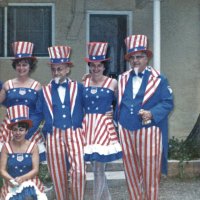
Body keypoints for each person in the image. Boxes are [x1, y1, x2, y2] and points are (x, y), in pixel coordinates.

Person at [116, 34, 174, 200]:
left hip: (149, 130)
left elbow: (167, 102)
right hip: (126, 129)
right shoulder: (122, 78)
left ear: (147, 58)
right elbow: (117, 100)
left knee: (150, 172)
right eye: (132, 57)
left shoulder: (159, 78)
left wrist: (152, 113)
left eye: (139, 57)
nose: (135, 60)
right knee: (130, 171)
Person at [35, 45, 85, 200]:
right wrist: (26, 129)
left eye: (60, 69)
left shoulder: (79, 87)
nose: (57, 73)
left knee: (79, 171)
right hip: (53, 134)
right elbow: (37, 114)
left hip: (74, 132)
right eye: (54, 69)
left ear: (67, 69)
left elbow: (89, 108)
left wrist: (106, 113)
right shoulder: (44, 91)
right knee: (58, 173)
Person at [82, 42, 122, 200]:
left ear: (104, 66)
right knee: (95, 168)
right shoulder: (83, 82)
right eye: (92, 65)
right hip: (87, 127)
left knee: (99, 169)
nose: (95, 69)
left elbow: (121, 104)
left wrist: (114, 115)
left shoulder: (113, 83)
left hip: (103, 127)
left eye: (99, 65)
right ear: (89, 65)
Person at [0, 41, 46, 162]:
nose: (21, 68)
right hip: (9, 128)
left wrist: (29, 129)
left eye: (24, 64)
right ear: (15, 66)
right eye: (18, 64)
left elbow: (39, 110)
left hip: (29, 128)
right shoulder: (7, 84)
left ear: (30, 66)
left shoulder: (37, 86)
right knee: (8, 162)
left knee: (30, 162)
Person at [0, 105, 48, 200]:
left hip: (30, 181)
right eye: (15, 130)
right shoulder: (6, 147)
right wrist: (10, 180)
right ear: (11, 132)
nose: (18, 133)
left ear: (26, 131)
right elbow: (2, 170)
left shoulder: (33, 146)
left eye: (21, 130)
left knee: (28, 196)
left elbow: (35, 170)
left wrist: (22, 179)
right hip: (11, 182)